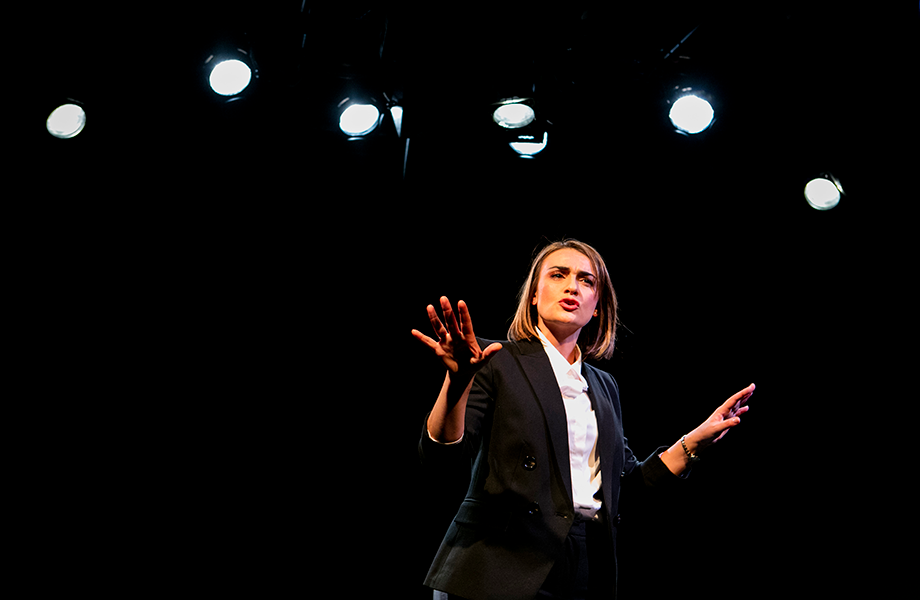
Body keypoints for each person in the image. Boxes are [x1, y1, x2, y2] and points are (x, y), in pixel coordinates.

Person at [412, 239, 754, 600]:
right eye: (558, 275)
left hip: (585, 560)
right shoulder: (494, 359)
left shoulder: (604, 386)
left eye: (586, 281)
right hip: (498, 561)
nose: (572, 286)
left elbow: (628, 486)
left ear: (596, 307)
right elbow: (440, 457)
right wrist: (457, 383)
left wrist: (694, 441)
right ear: (533, 294)